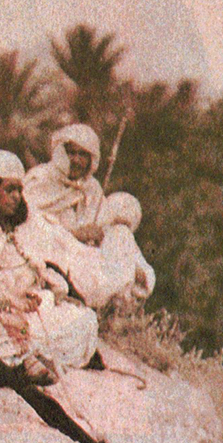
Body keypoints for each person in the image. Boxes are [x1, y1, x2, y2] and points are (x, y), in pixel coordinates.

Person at [0, 150, 99, 373]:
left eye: (19, 190)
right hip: (4, 310)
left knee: (85, 319)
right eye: (9, 190)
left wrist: (50, 291)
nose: (17, 197)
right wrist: (16, 298)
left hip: (30, 304)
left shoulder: (12, 230)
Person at [20, 124, 154, 309]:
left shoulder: (92, 188)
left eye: (82, 155)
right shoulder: (41, 179)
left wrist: (98, 233)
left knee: (121, 234)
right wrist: (73, 234)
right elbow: (26, 223)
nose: (76, 160)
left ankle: (126, 293)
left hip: (84, 255)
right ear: (61, 153)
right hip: (52, 253)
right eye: (71, 153)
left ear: (92, 159)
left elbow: (100, 228)